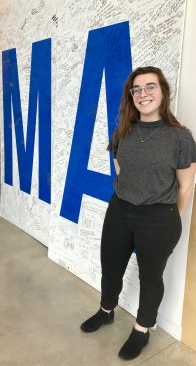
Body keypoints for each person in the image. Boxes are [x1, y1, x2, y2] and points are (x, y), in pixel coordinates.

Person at [80, 66, 196, 360]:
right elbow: (121, 169)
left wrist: (170, 217)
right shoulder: (123, 130)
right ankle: (106, 311)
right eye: (137, 89)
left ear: (163, 92)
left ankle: (142, 329)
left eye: (150, 87)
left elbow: (186, 186)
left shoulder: (180, 137)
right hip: (119, 211)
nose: (143, 94)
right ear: (131, 96)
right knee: (111, 268)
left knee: (150, 277)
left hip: (159, 218)